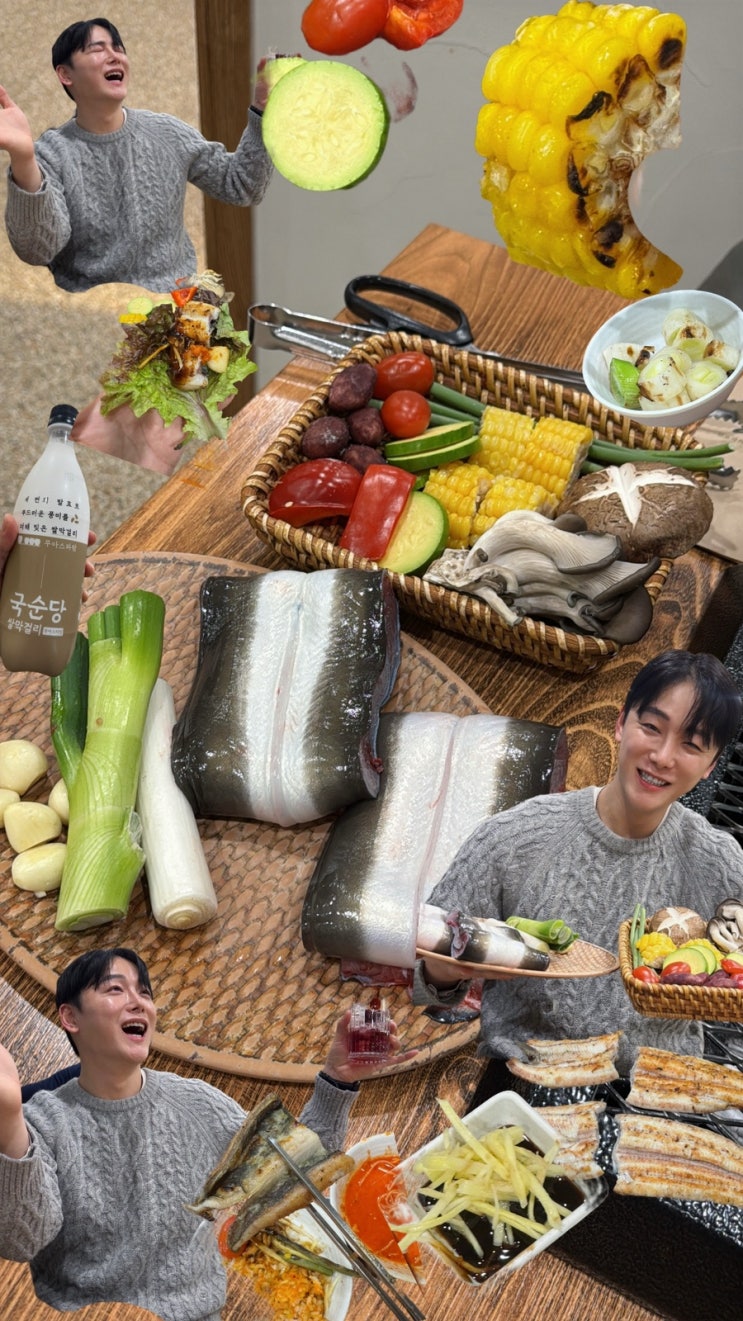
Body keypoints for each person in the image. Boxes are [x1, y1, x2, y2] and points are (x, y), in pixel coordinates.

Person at [0, 947, 416, 1320]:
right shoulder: (41, 1122)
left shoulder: (196, 1103)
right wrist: (9, 1121)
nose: (138, 1002)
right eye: (115, 989)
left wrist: (338, 1080)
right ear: (70, 1017)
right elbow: (21, 1241)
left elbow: (294, 1176)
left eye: (144, 992)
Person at [414, 650, 743, 1079]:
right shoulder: (516, 836)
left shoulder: (719, 861)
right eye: (651, 727)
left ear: (710, 766)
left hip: (659, 1089)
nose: (663, 756)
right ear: (621, 722)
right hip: (523, 1078)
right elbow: (423, 986)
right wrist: (443, 970)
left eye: (691, 745)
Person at [0, 17, 272, 292]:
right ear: (65, 74)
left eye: (118, 48)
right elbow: (38, 250)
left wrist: (263, 112)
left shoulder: (167, 132)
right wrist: (23, 157)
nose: (114, 56)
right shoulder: (52, 154)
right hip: (95, 308)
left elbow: (242, 185)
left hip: (176, 305)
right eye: (97, 49)